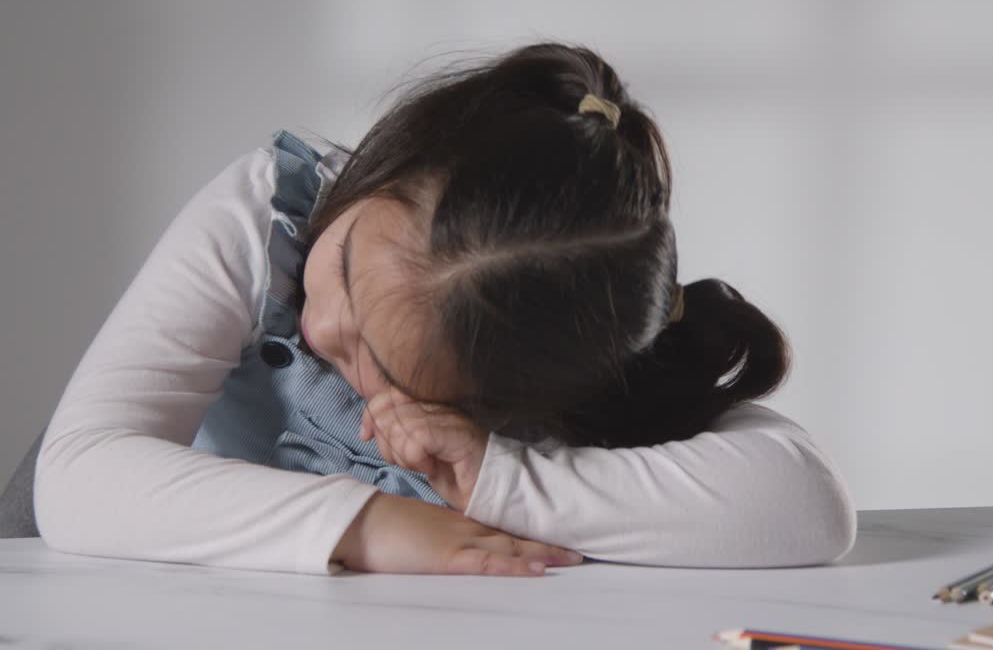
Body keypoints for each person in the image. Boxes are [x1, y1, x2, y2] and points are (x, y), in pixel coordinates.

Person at [33, 43, 855, 576]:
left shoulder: (571, 348)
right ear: (402, 154)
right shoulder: (265, 217)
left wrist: (503, 476)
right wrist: (366, 524)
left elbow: (804, 508)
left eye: (379, 370)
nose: (322, 331)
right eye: (347, 267)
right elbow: (78, 475)